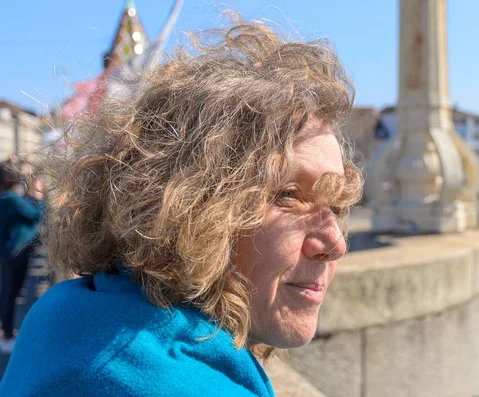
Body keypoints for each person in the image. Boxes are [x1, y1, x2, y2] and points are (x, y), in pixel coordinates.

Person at [0, 19, 362, 396]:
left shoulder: (65, 309)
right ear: (184, 206)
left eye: (335, 207)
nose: (336, 243)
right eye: (288, 195)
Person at [0, 161, 44, 354]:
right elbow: (37, 213)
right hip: (17, 252)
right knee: (11, 292)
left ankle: (7, 332)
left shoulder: (7, 197)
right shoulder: (10, 199)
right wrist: (39, 196)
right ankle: (7, 335)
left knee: (8, 291)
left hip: (8, 251)